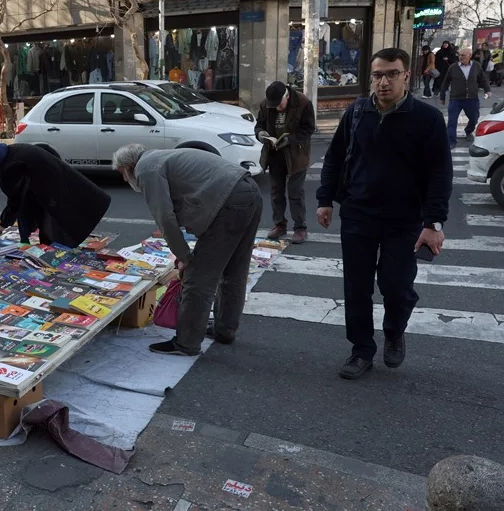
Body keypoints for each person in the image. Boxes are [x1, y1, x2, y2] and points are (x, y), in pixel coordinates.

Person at [316, 48, 452, 380]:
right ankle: (361, 350)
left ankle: (394, 331)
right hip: (358, 214)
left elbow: (440, 173)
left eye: (392, 74)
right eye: (377, 75)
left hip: (404, 220)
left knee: (396, 285)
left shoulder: (427, 119)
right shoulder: (357, 112)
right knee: (356, 287)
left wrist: (433, 223)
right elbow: (334, 157)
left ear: (407, 75)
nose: (383, 82)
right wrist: (325, 199)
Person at [113, 145, 262, 355]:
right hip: (249, 191)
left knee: (198, 279)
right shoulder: (161, 156)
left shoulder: (145, 169)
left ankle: (187, 342)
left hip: (229, 201)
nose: (125, 180)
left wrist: (183, 256)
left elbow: (165, 218)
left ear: (129, 166)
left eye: (123, 175)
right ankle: (224, 329)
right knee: (234, 271)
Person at [0, 142, 111, 247]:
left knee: (56, 233)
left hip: (57, 192)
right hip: (52, 185)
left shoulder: (13, 166)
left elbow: (15, 201)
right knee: (41, 220)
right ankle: (34, 243)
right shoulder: (12, 150)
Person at [254, 81, 315, 244]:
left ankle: (300, 228)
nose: (276, 108)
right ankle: (279, 225)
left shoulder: (303, 102)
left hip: (296, 154)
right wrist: (260, 133)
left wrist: (290, 139)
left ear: (286, 96)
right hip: (274, 154)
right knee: (276, 192)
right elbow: (259, 124)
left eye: (279, 104)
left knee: (295, 192)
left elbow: (309, 129)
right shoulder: (266, 104)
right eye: (272, 105)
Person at [440, 47, 491, 145]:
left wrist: (487, 90)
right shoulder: (453, 67)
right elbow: (445, 82)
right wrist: (442, 97)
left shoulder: (476, 66)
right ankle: (451, 141)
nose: (460, 57)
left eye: (463, 55)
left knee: (474, 118)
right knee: (452, 121)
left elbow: (483, 79)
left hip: (472, 98)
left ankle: (468, 131)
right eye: (459, 55)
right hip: (456, 99)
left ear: (470, 56)